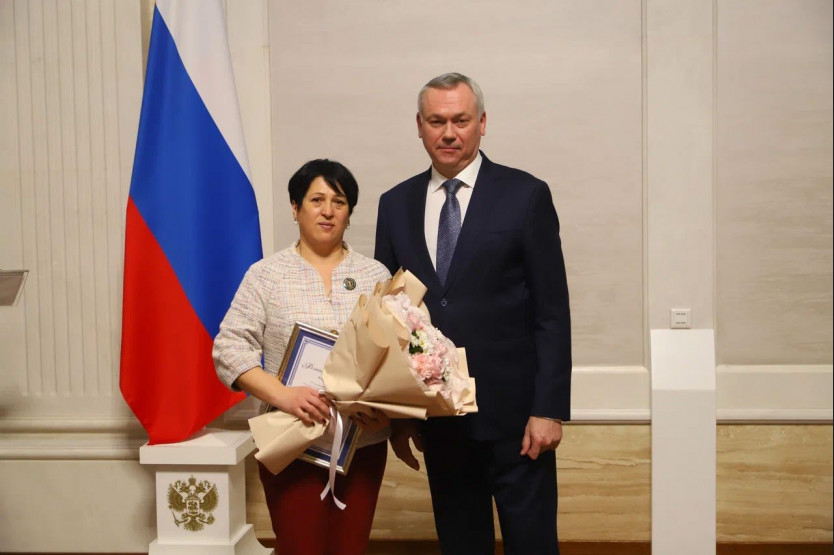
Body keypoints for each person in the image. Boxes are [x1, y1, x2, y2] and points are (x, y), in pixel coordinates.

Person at [374, 73, 572, 554]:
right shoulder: (394, 204)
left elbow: (552, 311)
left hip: (517, 419)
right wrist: (399, 415)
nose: (449, 132)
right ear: (419, 126)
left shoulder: (526, 195)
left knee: (533, 546)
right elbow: (388, 318)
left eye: (460, 120)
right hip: (440, 421)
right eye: (436, 121)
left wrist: (548, 408)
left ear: (482, 123)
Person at [214, 159, 392, 555]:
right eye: (316, 200)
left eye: (339, 202)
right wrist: (283, 395)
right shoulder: (265, 275)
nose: (328, 211)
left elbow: (395, 357)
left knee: (350, 548)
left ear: (349, 213)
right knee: (300, 547)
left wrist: (382, 409)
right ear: (295, 208)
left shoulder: (375, 275)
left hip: (362, 444)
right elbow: (229, 347)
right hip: (290, 439)